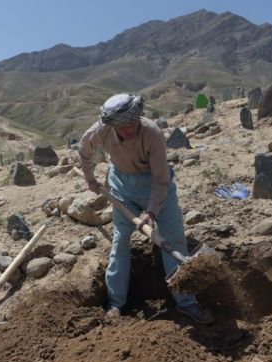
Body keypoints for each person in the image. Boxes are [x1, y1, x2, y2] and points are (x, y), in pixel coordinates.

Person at [78, 93, 214, 324]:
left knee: (173, 241)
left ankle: (186, 303)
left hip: (157, 187)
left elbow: (161, 181)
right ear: (112, 125)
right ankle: (115, 304)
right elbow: (83, 149)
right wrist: (90, 178)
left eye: (133, 123)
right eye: (123, 126)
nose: (129, 129)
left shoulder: (152, 133)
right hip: (122, 190)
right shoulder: (100, 131)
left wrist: (150, 212)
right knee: (120, 243)